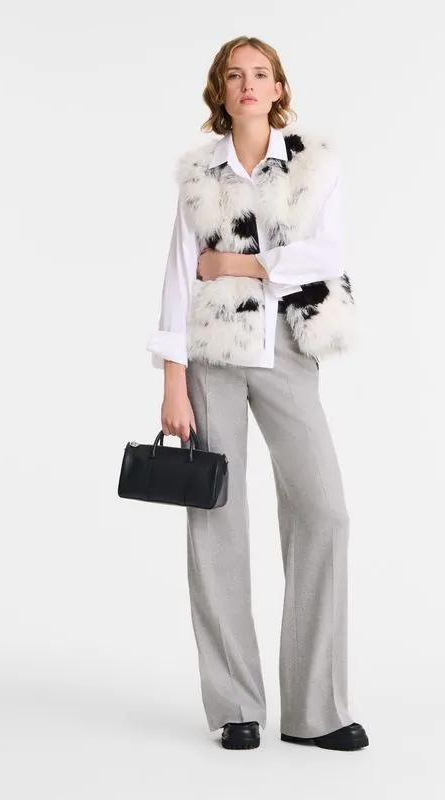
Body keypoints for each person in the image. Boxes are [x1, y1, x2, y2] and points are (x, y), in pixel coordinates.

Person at [146, 35, 368, 752]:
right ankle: (235, 706)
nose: (248, 84)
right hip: (210, 356)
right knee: (216, 520)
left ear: (278, 88)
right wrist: (173, 381)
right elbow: (181, 274)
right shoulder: (198, 174)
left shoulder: (312, 164)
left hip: (288, 351)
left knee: (324, 512)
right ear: (221, 90)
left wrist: (235, 263)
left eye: (260, 73)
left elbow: (324, 255)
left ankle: (316, 711)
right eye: (235, 75)